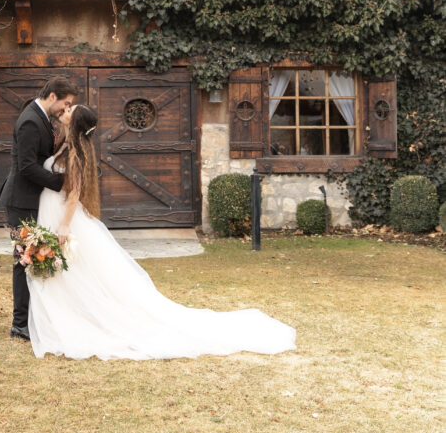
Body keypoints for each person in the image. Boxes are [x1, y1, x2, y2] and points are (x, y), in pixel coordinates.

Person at [27, 104, 296, 360]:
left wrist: (63, 225)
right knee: (72, 275)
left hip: (65, 219)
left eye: (71, 110)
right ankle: (68, 314)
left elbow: (74, 192)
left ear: (74, 123)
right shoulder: (64, 145)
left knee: (78, 272)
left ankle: (78, 319)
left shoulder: (76, 154)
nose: (66, 110)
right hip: (53, 214)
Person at [0, 75, 78, 340]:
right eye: (65, 104)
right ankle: (20, 324)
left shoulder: (41, 118)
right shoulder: (31, 120)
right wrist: (62, 183)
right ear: (52, 95)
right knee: (23, 260)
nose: (65, 110)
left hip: (30, 200)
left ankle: (30, 318)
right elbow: (27, 166)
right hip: (20, 201)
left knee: (31, 258)